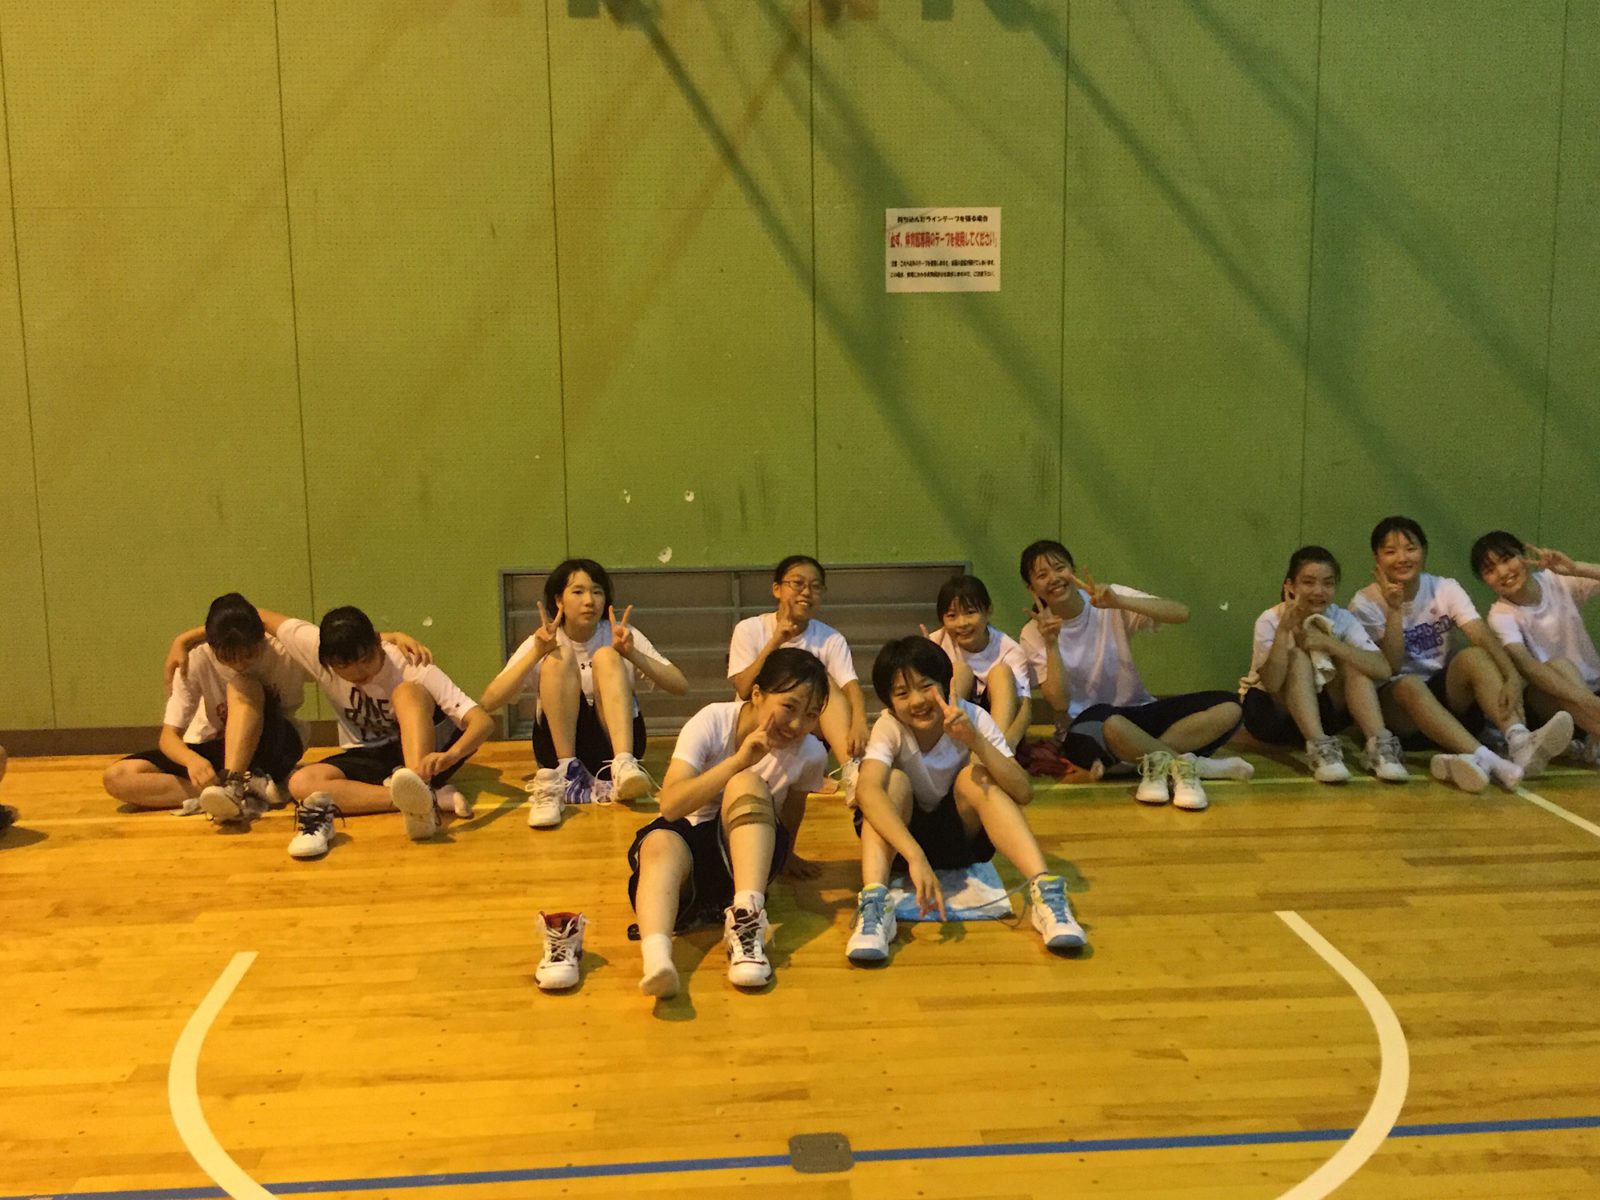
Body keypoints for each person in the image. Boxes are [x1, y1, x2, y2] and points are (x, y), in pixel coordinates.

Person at [173, 604, 494, 857]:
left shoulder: (409, 662)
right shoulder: (314, 649)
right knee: (301, 783)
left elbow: (482, 721)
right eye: (344, 668)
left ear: (378, 642)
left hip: (427, 756)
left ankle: (420, 789)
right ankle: (422, 800)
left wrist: (453, 755)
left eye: (366, 661)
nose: (358, 673)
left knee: (407, 693)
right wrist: (184, 640)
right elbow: (251, 615)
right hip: (370, 753)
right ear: (325, 661)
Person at [847, 636, 1084, 964]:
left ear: (946, 684)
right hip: (900, 846)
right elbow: (867, 790)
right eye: (902, 693)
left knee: (977, 776)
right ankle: (875, 902)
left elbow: (1023, 791)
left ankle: (1046, 892)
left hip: (959, 840)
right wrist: (915, 856)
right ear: (889, 702)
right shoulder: (889, 726)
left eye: (926, 686)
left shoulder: (973, 717)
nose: (917, 701)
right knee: (892, 782)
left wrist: (975, 741)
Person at [628, 648, 829, 999]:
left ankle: (747, 925)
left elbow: (793, 810)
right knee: (659, 843)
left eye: (811, 715)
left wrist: (788, 856)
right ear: (757, 694)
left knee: (747, 783)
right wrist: (738, 761)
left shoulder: (811, 753)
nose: (798, 725)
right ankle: (658, 963)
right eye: (790, 707)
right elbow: (671, 806)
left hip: (745, 863)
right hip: (687, 855)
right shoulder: (713, 720)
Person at [1018, 539, 1248, 811]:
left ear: (1073, 570)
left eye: (1060, 568)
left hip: (1138, 712)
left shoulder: (1108, 598)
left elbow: (1181, 613)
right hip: (1087, 728)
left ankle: (1138, 763)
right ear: (1032, 589)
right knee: (1108, 721)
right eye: (1042, 575)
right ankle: (1189, 766)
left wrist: (1120, 601)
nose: (1054, 579)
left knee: (1231, 707)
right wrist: (1051, 643)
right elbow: (1059, 703)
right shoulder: (1033, 632)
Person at [1351, 516, 1569, 786]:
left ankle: (1518, 740)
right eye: (1390, 551)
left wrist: (1511, 675)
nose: (1402, 558)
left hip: (1444, 696)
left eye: (1410, 548)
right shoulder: (1365, 603)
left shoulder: (1444, 588)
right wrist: (1394, 610)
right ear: (1377, 558)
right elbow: (1390, 667)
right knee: (1409, 684)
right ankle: (1487, 758)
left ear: (1424, 551)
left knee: (1474, 656)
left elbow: (1480, 634)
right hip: (1398, 710)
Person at [479, 559, 686, 828]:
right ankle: (568, 772)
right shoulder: (544, 639)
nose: (589, 601)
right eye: (578, 592)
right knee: (559, 657)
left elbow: (680, 685)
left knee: (606, 656)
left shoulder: (619, 634)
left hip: (614, 745)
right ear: (559, 600)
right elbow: (489, 701)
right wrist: (536, 654)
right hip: (558, 750)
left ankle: (624, 766)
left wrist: (631, 653)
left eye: (597, 592)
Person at [105, 594, 310, 820]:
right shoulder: (195, 659)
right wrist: (191, 760)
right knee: (118, 777)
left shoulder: (285, 651)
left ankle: (234, 785)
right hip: (219, 745)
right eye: (227, 658)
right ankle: (229, 794)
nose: (239, 664)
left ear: (262, 638)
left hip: (276, 744)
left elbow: (311, 641)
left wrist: (183, 638)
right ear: (212, 646)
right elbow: (168, 737)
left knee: (243, 684)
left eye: (249, 655)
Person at [1240, 546, 1420, 785]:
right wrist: (1284, 631)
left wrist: (1330, 644)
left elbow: (1383, 669)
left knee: (1355, 661)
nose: (1318, 591)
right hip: (1273, 715)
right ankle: (1320, 750)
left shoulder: (1341, 618)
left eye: (1328, 583)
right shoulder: (1270, 619)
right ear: (1290, 586)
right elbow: (1271, 683)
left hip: (1326, 714)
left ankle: (1380, 747)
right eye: (1308, 582)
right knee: (1298, 658)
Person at [727, 555, 868, 801]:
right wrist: (775, 641)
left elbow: (851, 685)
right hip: (760, 725)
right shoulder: (749, 629)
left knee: (823, 682)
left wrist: (860, 721)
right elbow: (744, 688)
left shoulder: (831, 639)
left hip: (804, 730)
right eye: (798, 583)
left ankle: (852, 772)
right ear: (777, 589)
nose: (807, 592)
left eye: (816, 586)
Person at [1474, 532, 1600, 765]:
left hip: (1594, 689)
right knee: (1559, 665)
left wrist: (1575, 569)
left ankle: (1591, 740)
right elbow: (1527, 666)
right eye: (1490, 570)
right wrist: (1588, 703)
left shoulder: (1558, 580)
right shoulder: (1500, 615)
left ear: (1524, 556)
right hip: (1552, 702)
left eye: (1507, 559)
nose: (1503, 572)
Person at [922, 573, 1032, 748]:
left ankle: (995, 749)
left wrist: (1007, 746)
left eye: (970, 612)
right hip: (954, 728)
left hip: (1000, 728)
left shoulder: (1010, 650)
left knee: (1001, 672)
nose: (962, 623)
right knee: (960, 670)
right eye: (952, 616)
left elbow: (1025, 709)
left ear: (988, 611)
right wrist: (926, 662)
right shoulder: (935, 643)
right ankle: (946, 750)